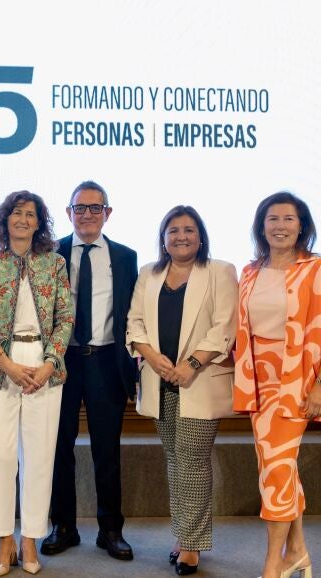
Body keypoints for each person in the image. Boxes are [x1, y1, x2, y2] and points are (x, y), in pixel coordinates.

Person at [233, 192, 321, 578]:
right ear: (261, 227)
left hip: (297, 380)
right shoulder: (249, 272)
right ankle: (298, 551)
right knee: (279, 465)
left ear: (301, 225)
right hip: (258, 382)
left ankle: (273, 562)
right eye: (272, 219)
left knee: (275, 468)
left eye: (289, 219)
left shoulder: (317, 270)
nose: (280, 226)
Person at [126, 206, 238, 576]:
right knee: (175, 460)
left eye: (189, 230)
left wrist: (190, 364)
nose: (181, 236)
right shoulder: (149, 273)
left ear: (201, 237)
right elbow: (135, 322)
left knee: (192, 461)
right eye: (173, 230)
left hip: (199, 380)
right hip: (159, 381)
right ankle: (184, 535)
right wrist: (152, 358)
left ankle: (191, 545)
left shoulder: (220, 271)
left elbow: (225, 326)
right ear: (163, 239)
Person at [0, 191, 74, 576]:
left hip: (45, 368)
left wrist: (49, 364)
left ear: (39, 223)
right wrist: (5, 362)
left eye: (30, 214)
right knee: (0, 456)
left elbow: (65, 317)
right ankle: (4, 541)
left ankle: (30, 539)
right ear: (6, 220)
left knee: (39, 456)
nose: (23, 219)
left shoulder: (56, 263)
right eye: (17, 213)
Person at [44, 180, 138, 561]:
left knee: (106, 449)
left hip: (105, 360)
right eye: (79, 208)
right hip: (60, 361)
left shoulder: (126, 257)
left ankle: (110, 529)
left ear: (107, 213)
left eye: (95, 208)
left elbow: (132, 313)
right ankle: (63, 526)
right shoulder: (51, 253)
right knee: (58, 447)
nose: (87, 215)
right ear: (68, 213)